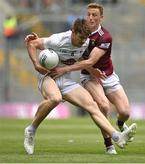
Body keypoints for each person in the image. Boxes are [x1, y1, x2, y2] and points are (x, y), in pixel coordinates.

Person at [24, 18, 137, 155]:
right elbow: (32, 44)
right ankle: (31, 130)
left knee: (92, 105)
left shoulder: (85, 42)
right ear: (73, 32)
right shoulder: (57, 40)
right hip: (48, 76)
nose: (82, 41)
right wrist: (36, 65)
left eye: (85, 39)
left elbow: (81, 59)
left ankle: (116, 136)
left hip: (65, 80)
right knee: (55, 98)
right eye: (80, 38)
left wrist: (92, 70)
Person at [50, 3, 134, 155]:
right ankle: (109, 145)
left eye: (94, 15)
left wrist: (64, 69)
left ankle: (120, 123)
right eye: (88, 14)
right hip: (89, 76)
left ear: (101, 18)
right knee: (103, 105)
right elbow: (73, 50)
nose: (91, 18)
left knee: (125, 112)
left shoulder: (105, 36)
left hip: (108, 75)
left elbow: (90, 61)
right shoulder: (79, 31)